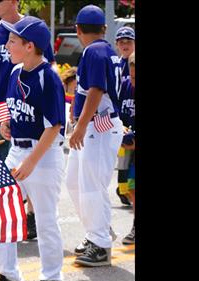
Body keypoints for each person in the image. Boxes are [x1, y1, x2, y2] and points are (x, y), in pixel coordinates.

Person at [0, 16, 67, 281]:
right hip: (18, 149)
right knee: (3, 212)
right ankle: (10, 277)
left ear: (30, 46)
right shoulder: (17, 70)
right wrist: (7, 126)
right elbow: (11, 106)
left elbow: (54, 125)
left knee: (44, 219)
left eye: (13, 41)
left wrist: (31, 162)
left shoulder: (48, 76)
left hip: (43, 154)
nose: (7, 45)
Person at [0, 0, 56, 243]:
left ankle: (31, 215)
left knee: (29, 156)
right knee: (3, 159)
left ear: (14, 1)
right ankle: (5, 214)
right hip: (1, 104)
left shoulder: (33, 28)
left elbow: (47, 63)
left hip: (28, 103)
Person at [65, 5, 124, 267]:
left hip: (99, 125)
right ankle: (99, 231)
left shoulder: (94, 50)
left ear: (78, 29)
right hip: (96, 124)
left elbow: (97, 90)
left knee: (91, 185)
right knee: (75, 183)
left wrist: (80, 124)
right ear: (104, 28)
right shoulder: (104, 49)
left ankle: (100, 243)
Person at [114, 26, 135, 205]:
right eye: (122, 42)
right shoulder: (116, 65)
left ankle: (127, 189)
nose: (125, 45)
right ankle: (122, 189)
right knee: (123, 159)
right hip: (124, 118)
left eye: (129, 41)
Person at [119, 52, 135, 244]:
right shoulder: (125, 86)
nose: (134, 81)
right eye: (132, 76)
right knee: (130, 187)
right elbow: (118, 112)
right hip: (128, 144)